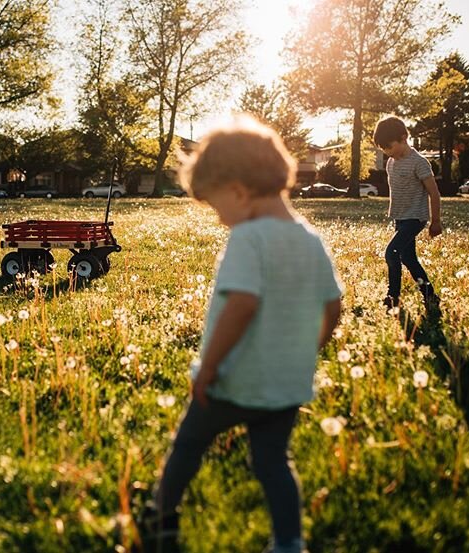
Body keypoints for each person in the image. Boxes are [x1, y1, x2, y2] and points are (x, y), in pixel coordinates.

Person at [149, 116, 343, 553]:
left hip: (233, 379)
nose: (221, 220)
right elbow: (333, 306)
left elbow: (241, 305)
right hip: (287, 383)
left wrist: (209, 367)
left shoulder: (249, 237)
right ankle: (289, 542)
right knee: (273, 460)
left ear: (238, 190)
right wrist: (305, 349)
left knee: (190, 443)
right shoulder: (310, 239)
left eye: (217, 207)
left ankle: (161, 512)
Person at [373, 116, 442, 313]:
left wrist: (435, 221)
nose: (387, 152)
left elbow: (434, 193)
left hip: (415, 218)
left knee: (391, 253)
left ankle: (393, 296)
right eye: (383, 148)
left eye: (389, 146)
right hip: (400, 218)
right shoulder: (391, 163)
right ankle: (430, 295)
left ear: (403, 138)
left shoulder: (419, 162)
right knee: (409, 258)